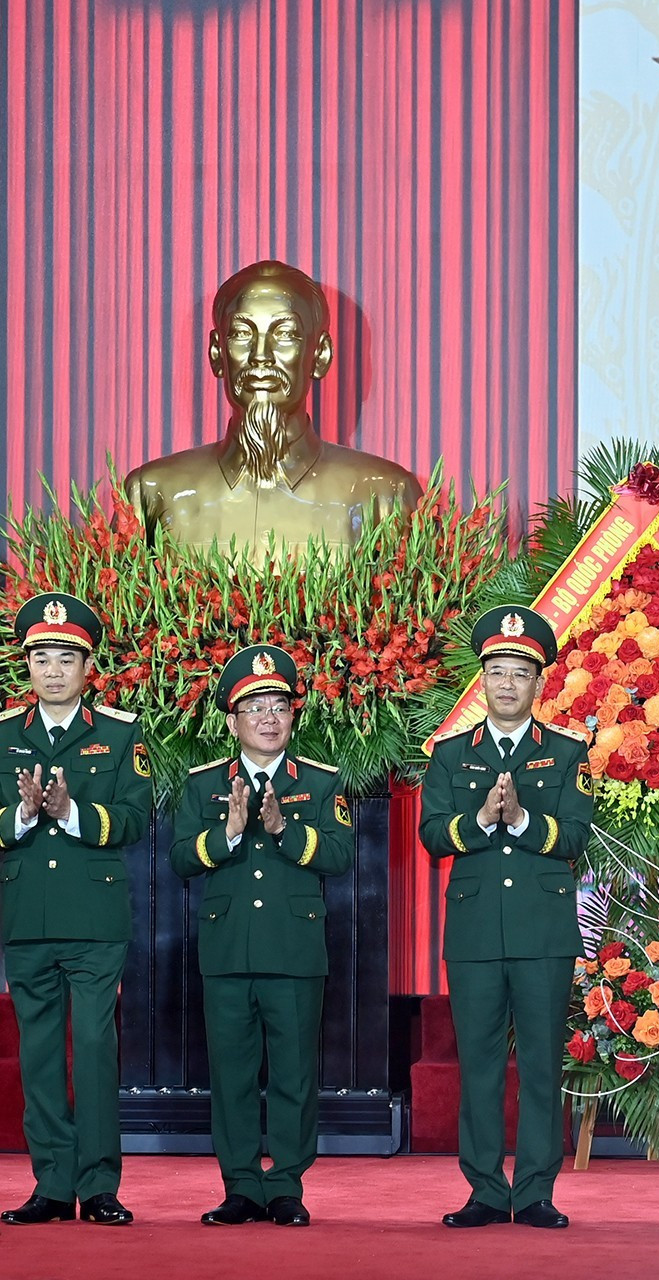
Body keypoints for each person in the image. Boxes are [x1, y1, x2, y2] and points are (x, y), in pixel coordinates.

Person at [419, 606, 593, 1229]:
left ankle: (539, 1189)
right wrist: (482, 821)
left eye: (521, 672)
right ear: (482, 679)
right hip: (472, 935)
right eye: (496, 671)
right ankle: (486, 1189)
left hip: (544, 934)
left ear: (539, 682)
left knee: (544, 1063)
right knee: (481, 1065)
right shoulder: (447, 755)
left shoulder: (570, 752)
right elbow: (434, 835)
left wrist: (520, 821)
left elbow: (574, 837)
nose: (507, 683)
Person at [169, 645, 354, 1227]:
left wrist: (282, 829)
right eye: (255, 707)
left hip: (296, 952)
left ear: (294, 716)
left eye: (279, 705)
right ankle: (241, 1185)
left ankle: (287, 1185)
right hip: (226, 952)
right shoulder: (203, 786)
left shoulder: (321, 784)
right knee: (231, 1075)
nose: (268, 717)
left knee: (296, 1073)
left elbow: (342, 855)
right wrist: (225, 834)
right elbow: (179, 859)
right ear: (232, 720)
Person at [0, 594, 151, 1227]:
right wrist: (25, 814)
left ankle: (102, 1185)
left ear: (89, 667)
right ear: (26, 668)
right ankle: (53, 1187)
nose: (54, 671)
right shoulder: (4, 733)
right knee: (38, 1054)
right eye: (41, 658)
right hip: (27, 916)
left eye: (67, 658)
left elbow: (137, 819)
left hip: (94, 920)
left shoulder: (119, 732)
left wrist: (71, 814)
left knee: (93, 1049)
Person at [124, 259, 422, 558]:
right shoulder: (151, 494)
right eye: (242, 333)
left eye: (284, 334)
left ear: (320, 355)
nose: (261, 356)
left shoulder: (385, 496)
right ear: (217, 353)